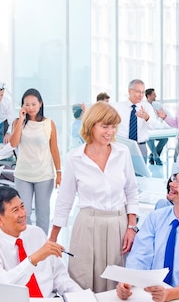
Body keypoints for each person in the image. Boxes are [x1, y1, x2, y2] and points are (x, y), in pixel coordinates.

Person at [50, 101, 139, 292]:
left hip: (118, 225)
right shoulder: (74, 158)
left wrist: (132, 227)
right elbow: (64, 200)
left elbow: (131, 191)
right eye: (104, 126)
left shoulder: (122, 153)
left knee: (116, 282)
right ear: (91, 126)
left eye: (113, 126)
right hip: (87, 225)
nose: (110, 131)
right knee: (84, 280)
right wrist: (53, 238)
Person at [117, 165, 179, 302]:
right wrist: (127, 282)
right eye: (175, 179)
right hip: (148, 295)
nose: (172, 184)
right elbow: (140, 257)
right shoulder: (155, 218)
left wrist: (169, 294)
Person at [0, 186, 82, 298]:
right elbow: (1, 288)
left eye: (22, 206)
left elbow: (60, 277)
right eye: (15, 210)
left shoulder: (36, 233)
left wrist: (81, 296)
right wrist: (33, 260)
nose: (23, 213)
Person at [9, 88, 61, 234]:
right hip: (23, 174)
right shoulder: (17, 122)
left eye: (33, 104)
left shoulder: (49, 124)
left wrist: (59, 172)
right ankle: (27, 243)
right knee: (23, 214)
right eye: (27, 104)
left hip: (44, 175)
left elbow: (54, 150)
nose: (31, 108)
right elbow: (13, 143)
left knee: (43, 214)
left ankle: (42, 245)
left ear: (40, 104)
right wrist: (20, 121)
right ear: (22, 106)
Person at [113, 79, 158, 161]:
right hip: (122, 146)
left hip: (140, 147)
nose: (140, 95)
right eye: (138, 92)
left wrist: (147, 118)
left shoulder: (147, 107)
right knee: (120, 172)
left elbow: (154, 126)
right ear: (130, 91)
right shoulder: (117, 107)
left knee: (139, 173)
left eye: (142, 92)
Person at [145, 88, 168, 165]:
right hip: (148, 131)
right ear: (148, 96)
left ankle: (153, 155)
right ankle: (156, 157)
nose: (156, 96)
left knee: (165, 138)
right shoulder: (144, 106)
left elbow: (166, 113)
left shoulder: (156, 105)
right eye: (154, 94)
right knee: (149, 138)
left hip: (156, 129)